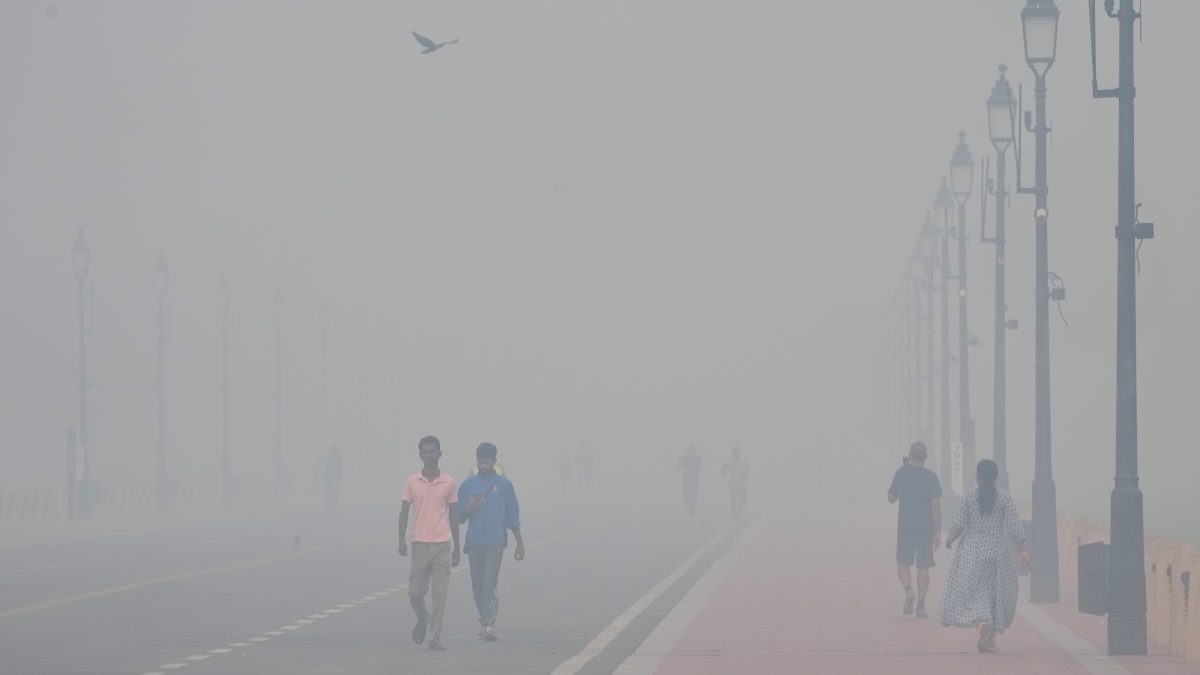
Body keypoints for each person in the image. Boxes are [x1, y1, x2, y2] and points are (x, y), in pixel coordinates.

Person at [939, 459, 1029, 653]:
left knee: (976, 591)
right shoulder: (1004, 498)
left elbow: (958, 522)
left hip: (972, 550)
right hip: (998, 549)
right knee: (995, 593)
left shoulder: (969, 496)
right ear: (995, 477)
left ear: (977, 476)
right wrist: (1022, 549)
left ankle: (982, 624)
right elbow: (1014, 525)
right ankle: (991, 637)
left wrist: (950, 539)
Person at [457, 442, 525, 642]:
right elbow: (459, 516)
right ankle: (484, 620)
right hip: (474, 542)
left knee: (488, 585)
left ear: (495, 461)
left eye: (487, 462)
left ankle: (489, 624)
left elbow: (512, 517)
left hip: (495, 542)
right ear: (476, 461)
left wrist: (519, 543)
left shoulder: (505, 486)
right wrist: (470, 507)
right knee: (477, 586)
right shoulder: (467, 485)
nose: (484, 465)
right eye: (480, 462)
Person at [397, 436, 460, 651]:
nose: (430, 455)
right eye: (426, 451)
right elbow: (404, 511)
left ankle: (434, 638)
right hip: (419, 544)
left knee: (439, 596)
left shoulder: (449, 482)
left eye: (434, 451)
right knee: (415, 593)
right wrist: (401, 540)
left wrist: (457, 547)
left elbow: (454, 515)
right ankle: (423, 618)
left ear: (440, 454)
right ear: (420, 455)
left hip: (442, 544)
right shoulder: (412, 481)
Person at [887, 441, 942, 619]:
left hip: (905, 526)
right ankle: (921, 606)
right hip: (925, 527)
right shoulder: (931, 477)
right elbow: (935, 505)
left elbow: (891, 498)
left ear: (909, 455)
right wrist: (937, 531)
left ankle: (908, 589)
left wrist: (902, 474)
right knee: (923, 565)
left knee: (903, 562)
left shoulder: (901, 474)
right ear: (925, 457)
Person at [720, 446, 750, 518]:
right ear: (732, 453)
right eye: (734, 452)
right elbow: (724, 468)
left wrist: (744, 474)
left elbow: (748, 470)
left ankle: (740, 508)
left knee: (742, 499)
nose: (736, 453)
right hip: (732, 483)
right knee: (733, 500)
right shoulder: (729, 461)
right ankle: (735, 513)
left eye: (737, 452)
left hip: (741, 484)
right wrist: (723, 471)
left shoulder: (743, 461)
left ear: (739, 452)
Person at [676, 445, 702, 518]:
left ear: (695, 451)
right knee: (685, 493)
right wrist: (682, 468)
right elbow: (677, 466)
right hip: (685, 479)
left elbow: (699, 467)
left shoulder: (698, 458)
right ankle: (687, 504)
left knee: (693, 495)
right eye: (690, 450)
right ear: (688, 451)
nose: (691, 452)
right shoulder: (684, 458)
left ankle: (692, 510)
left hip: (694, 480)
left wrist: (693, 470)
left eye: (693, 450)